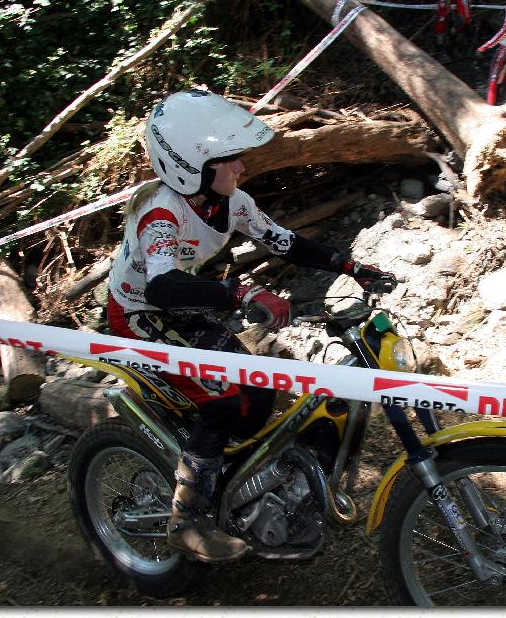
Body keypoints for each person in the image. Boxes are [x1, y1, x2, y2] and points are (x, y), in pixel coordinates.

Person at [106, 89, 394, 562]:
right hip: (138, 314)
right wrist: (241, 293)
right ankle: (186, 519)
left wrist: (350, 266)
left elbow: (285, 242)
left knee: (259, 388)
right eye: (230, 159)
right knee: (220, 401)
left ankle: (233, 485)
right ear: (190, 165)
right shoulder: (160, 213)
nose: (241, 167)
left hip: (183, 310)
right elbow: (162, 287)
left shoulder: (232, 202)